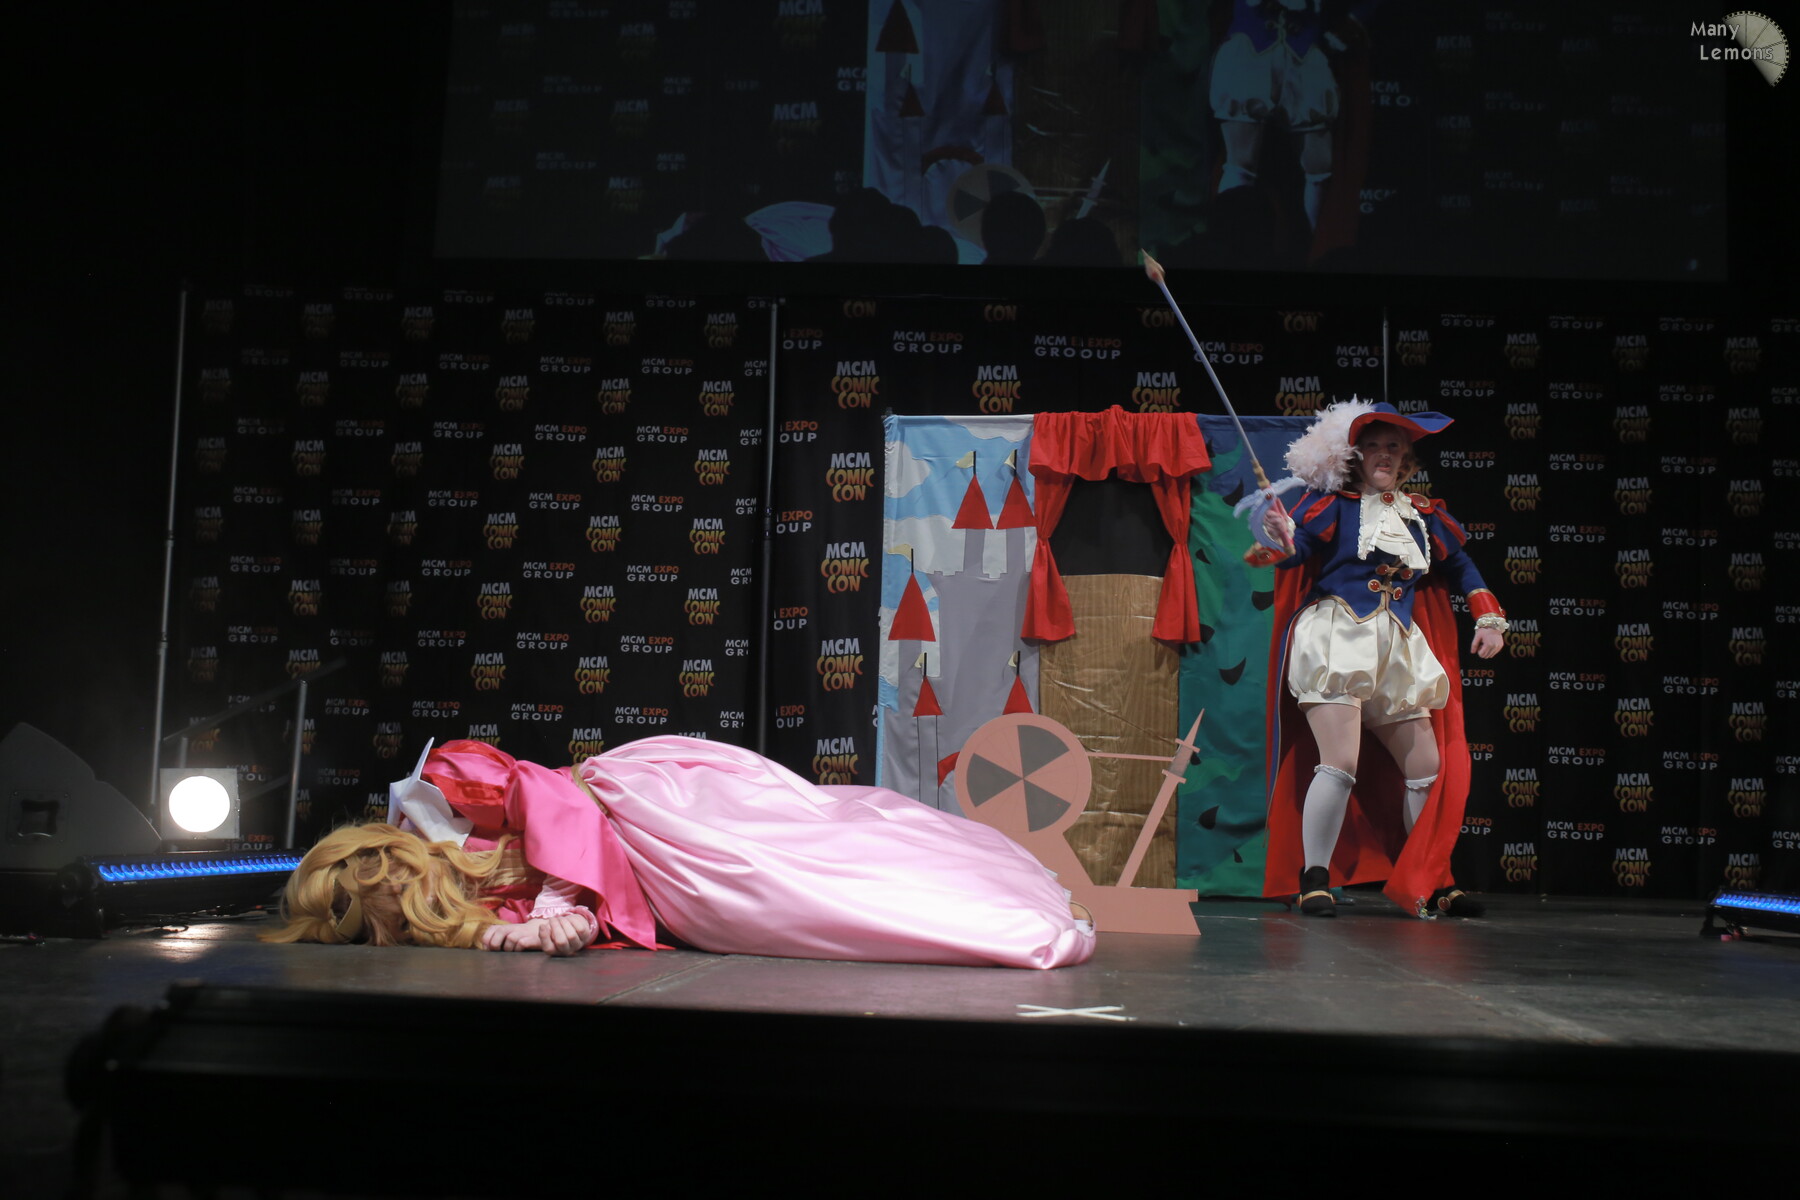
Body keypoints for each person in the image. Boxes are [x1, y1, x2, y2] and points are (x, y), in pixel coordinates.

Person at [264, 736, 1095, 969]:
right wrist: (536, 930)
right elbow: (551, 918)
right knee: (802, 911)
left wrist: (557, 902)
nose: (386, 936)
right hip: (657, 886)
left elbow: (546, 798)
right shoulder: (454, 917)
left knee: (819, 855)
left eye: (375, 921)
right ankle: (1008, 916)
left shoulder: (443, 784)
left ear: (381, 869)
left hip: (647, 814)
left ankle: (1017, 906)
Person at [1260, 399, 1506, 919]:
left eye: (1394, 446)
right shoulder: (1333, 506)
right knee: (1341, 761)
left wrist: (1488, 617)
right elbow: (1296, 552)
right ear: (1356, 457)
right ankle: (1314, 879)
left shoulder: (1423, 514)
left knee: (1426, 768)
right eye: (1373, 446)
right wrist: (1279, 537)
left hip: (1395, 646)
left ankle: (1429, 879)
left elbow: (1461, 565)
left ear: (1406, 457)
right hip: (1336, 638)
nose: (1384, 454)